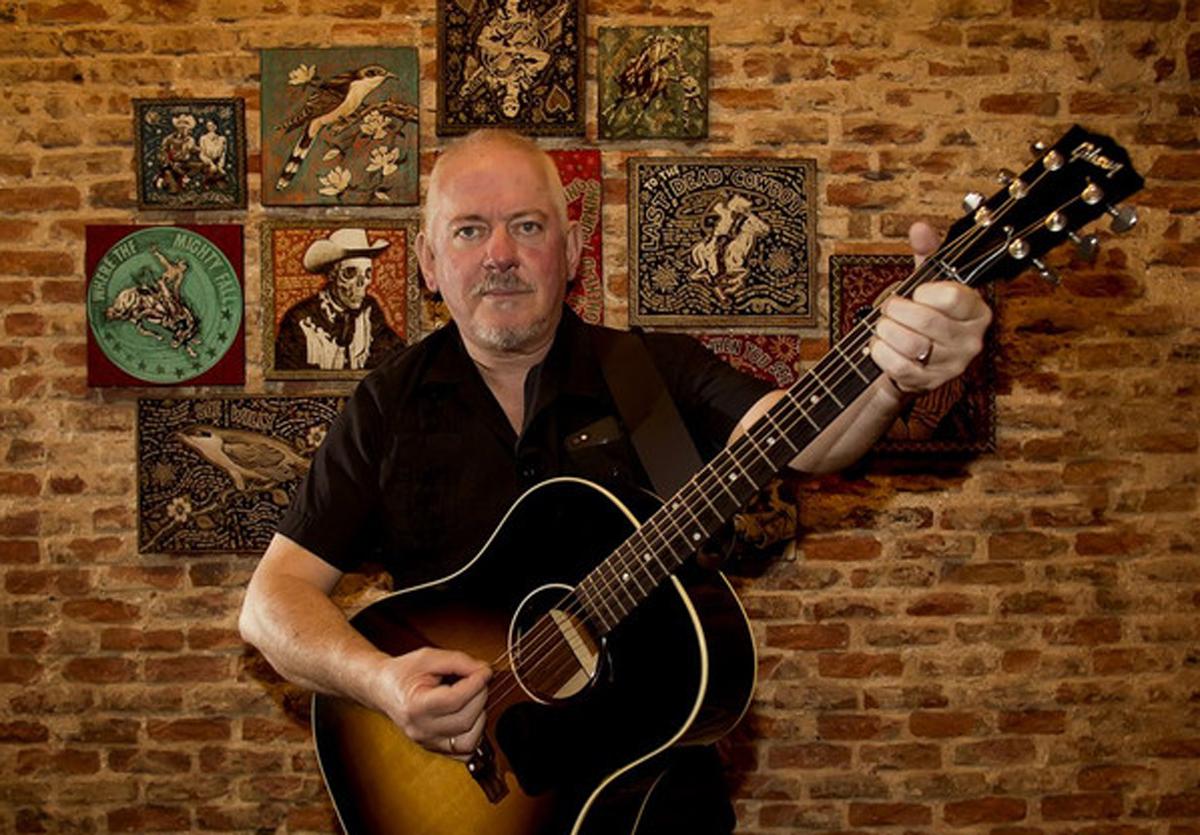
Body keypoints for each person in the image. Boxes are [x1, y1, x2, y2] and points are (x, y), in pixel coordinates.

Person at [239, 129, 992, 831]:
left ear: (571, 251)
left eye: (528, 226)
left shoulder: (649, 373)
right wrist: (382, 683)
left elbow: (804, 436)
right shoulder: (386, 405)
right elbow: (271, 604)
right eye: (469, 230)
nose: (500, 254)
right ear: (430, 264)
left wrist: (891, 375)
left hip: (655, 801)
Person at [273, 227, 403, 372]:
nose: (361, 283)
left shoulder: (370, 311)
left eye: (367, 274)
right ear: (331, 275)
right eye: (350, 273)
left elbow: (395, 360)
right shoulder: (300, 320)